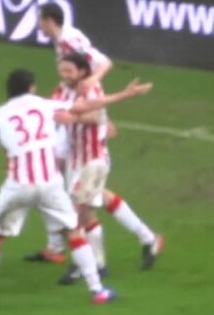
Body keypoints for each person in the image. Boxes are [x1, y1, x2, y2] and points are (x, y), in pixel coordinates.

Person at [0, 69, 154, 307]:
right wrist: (125, 94)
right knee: (74, 233)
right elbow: (86, 106)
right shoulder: (46, 105)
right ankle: (97, 290)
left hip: (18, 185)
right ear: (32, 88)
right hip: (50, 184)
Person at [27, 3, 165, 272]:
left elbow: (102, 64)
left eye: (39, 20)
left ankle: (84, 258)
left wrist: (96, 100)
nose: (37, 25)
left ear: (47, 20)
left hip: (84, 121)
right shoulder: (61, 46)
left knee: (66, 188)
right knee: (84, 191)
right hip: (78, 116)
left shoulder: (71, 39)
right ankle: (145, 238)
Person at [50, 54, 166, 284]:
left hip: (94, 160)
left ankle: (87, 264)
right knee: (96, 203)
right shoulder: (61, 91)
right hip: (75, 160)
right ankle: (147, 239)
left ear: (82, 71)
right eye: (62, 70)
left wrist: (71, 119)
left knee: (77, 213)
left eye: (69, 71)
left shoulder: (92, 88)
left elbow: (94, 116)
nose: (64, 75)